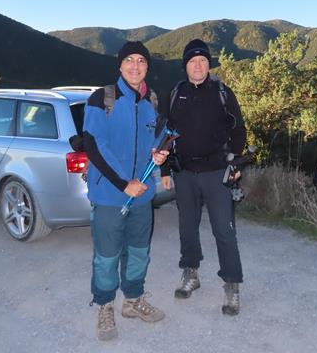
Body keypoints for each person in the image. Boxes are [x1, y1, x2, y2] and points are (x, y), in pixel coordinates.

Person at [82, 41, 169, 341]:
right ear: (120, 65)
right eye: (129, 60)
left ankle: (133, 300)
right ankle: (105, 305)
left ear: (147, 66)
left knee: (139, 252)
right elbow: (94, 144)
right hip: (109, 194)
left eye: (141, 60)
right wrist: (123, 183)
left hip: (142, 194)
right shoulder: (102, 99)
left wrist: (159, 154)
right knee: (107, 255)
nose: (135, 65)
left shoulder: (151, 101)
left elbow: (155, 140)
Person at [160, 39, 247, 316]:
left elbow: (239, 130)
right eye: (192, 61)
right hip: (184, 172)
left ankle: (232, 285)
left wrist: (234, 160)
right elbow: (165, 134)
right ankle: (191, 274)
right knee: (187, 227)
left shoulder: (222, 92)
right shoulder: (175, 93)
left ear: (209, 65)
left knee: (224, 230)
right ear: (185, 65)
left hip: (216, 172)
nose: (198, 65)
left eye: (203, 61)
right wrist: (165, 170)